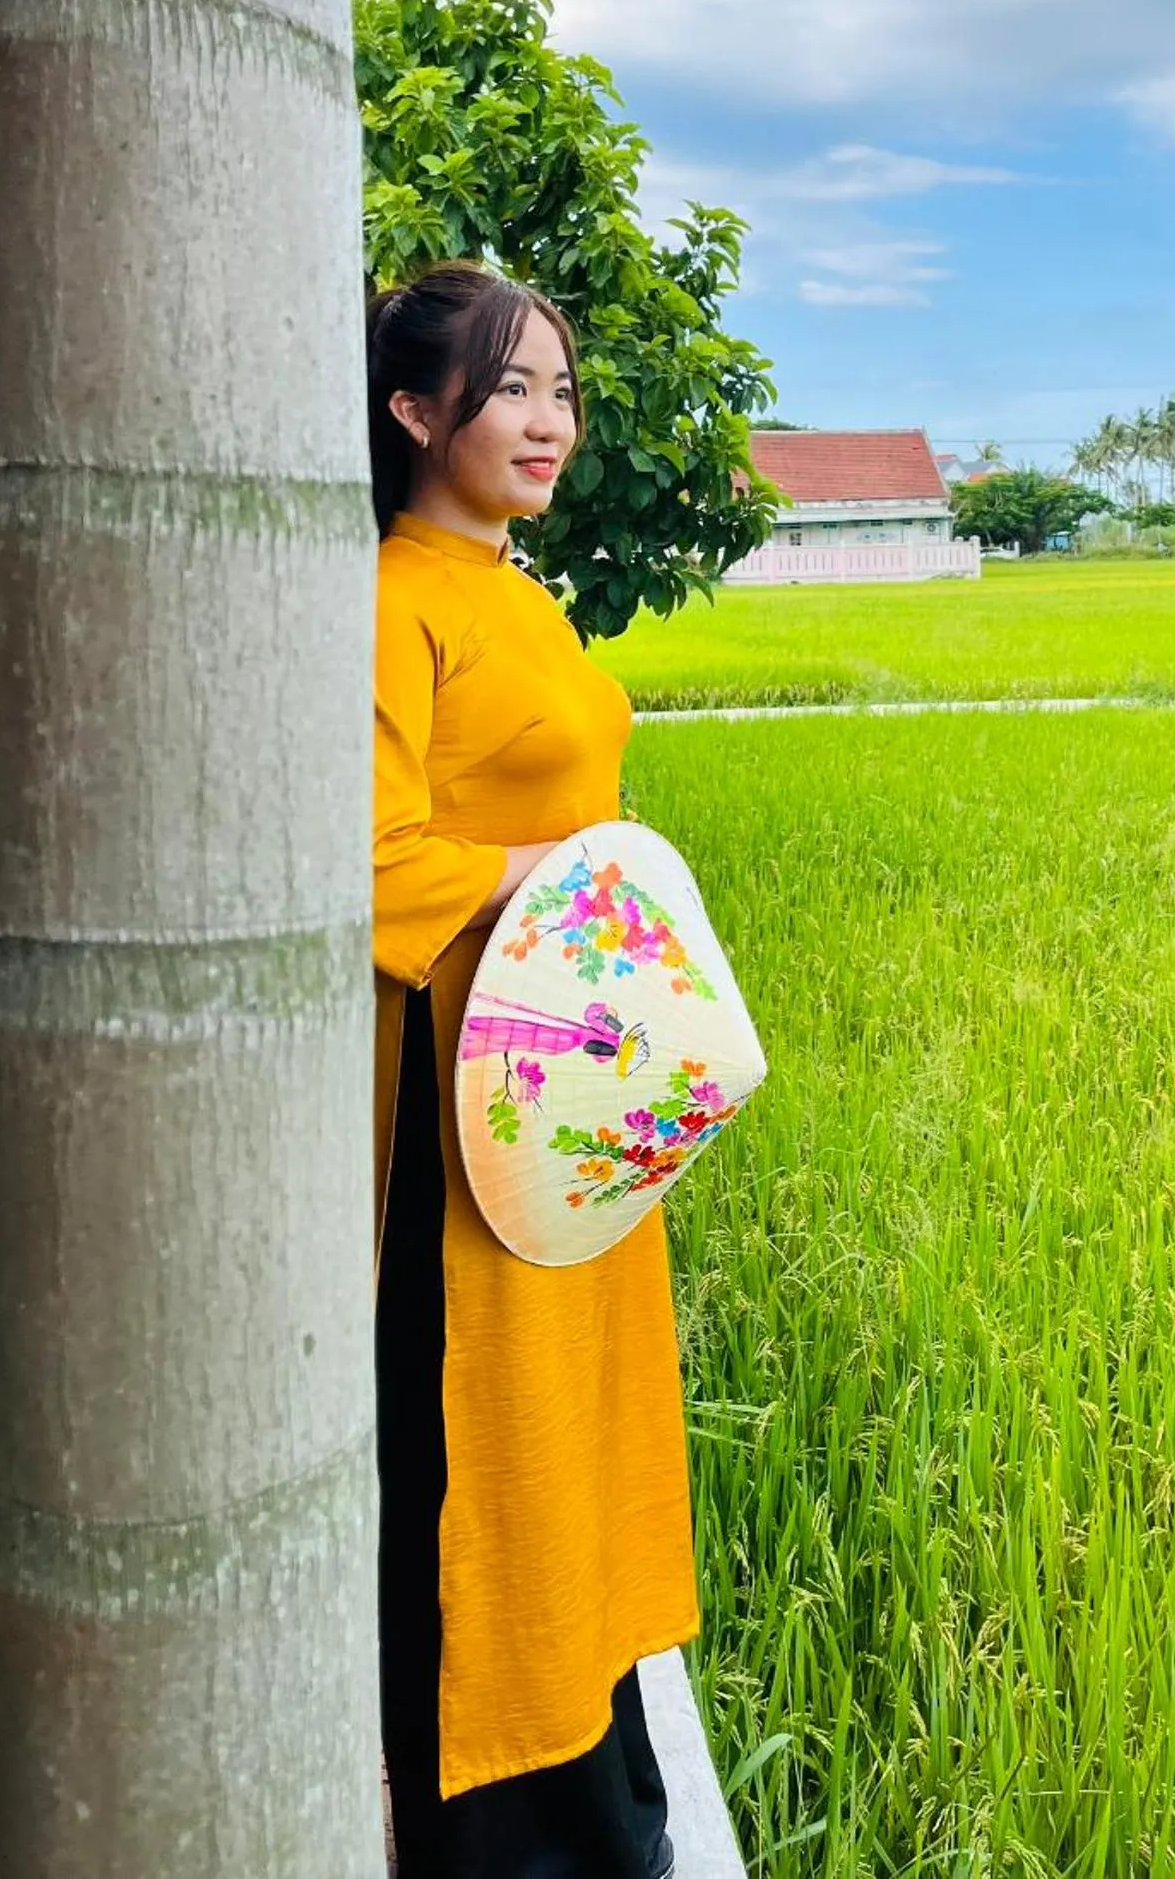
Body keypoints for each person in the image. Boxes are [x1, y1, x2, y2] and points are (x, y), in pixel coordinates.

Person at [368, 263, 696, 1878]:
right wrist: (550, 867)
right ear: (415, 410)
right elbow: (357, 858)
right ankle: (511, 1830)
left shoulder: (514, 586)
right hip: (467, 1104)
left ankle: (596, 1781)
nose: (551, 421)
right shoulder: (393, 595)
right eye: (512, 390)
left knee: (574, 1445)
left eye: (561, 390)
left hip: (561, 1083)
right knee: (486, 1464)